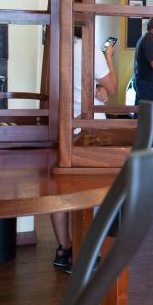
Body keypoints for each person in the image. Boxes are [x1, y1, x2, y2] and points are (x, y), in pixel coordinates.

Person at [51, 29, 117, 270]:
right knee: (94, 190)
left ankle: (64, 248)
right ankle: (87, 251)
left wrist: (96, 91)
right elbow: (111, 85)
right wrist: (108, 55)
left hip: (60, 129)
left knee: (60, 191)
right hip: (89, 131)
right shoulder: (87, 49)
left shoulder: (54, 44)